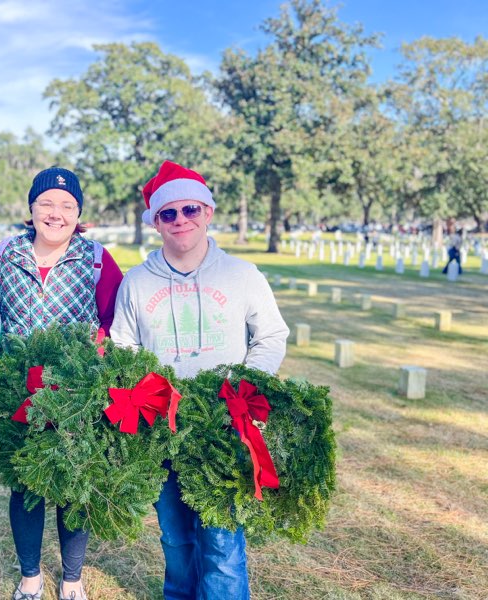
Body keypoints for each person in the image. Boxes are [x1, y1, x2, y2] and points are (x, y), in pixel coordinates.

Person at [110, 160, 289, 600]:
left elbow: (271, 336)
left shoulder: (243, 276)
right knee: (176, 539)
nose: (180, 221)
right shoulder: (135, 283)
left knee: (223, 544)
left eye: (190, 209)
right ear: (156, 222)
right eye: (168, 214)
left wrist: (242, 390)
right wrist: (149, 396)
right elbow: (123, 345)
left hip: (223, 427)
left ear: (208, 212)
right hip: (164, 431)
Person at [0, 167, 124, 600]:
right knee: (26, 486)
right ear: (31, 208)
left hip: (77, 395)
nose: (55, 214)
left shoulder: (96, 258)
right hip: (19, 394)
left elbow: (116, 320)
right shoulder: (4, 255)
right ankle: (30, 578)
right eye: (47, 203)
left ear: (78, 213)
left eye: (66, 206)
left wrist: (93, 366)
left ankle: (72, 579)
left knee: (72, 486)